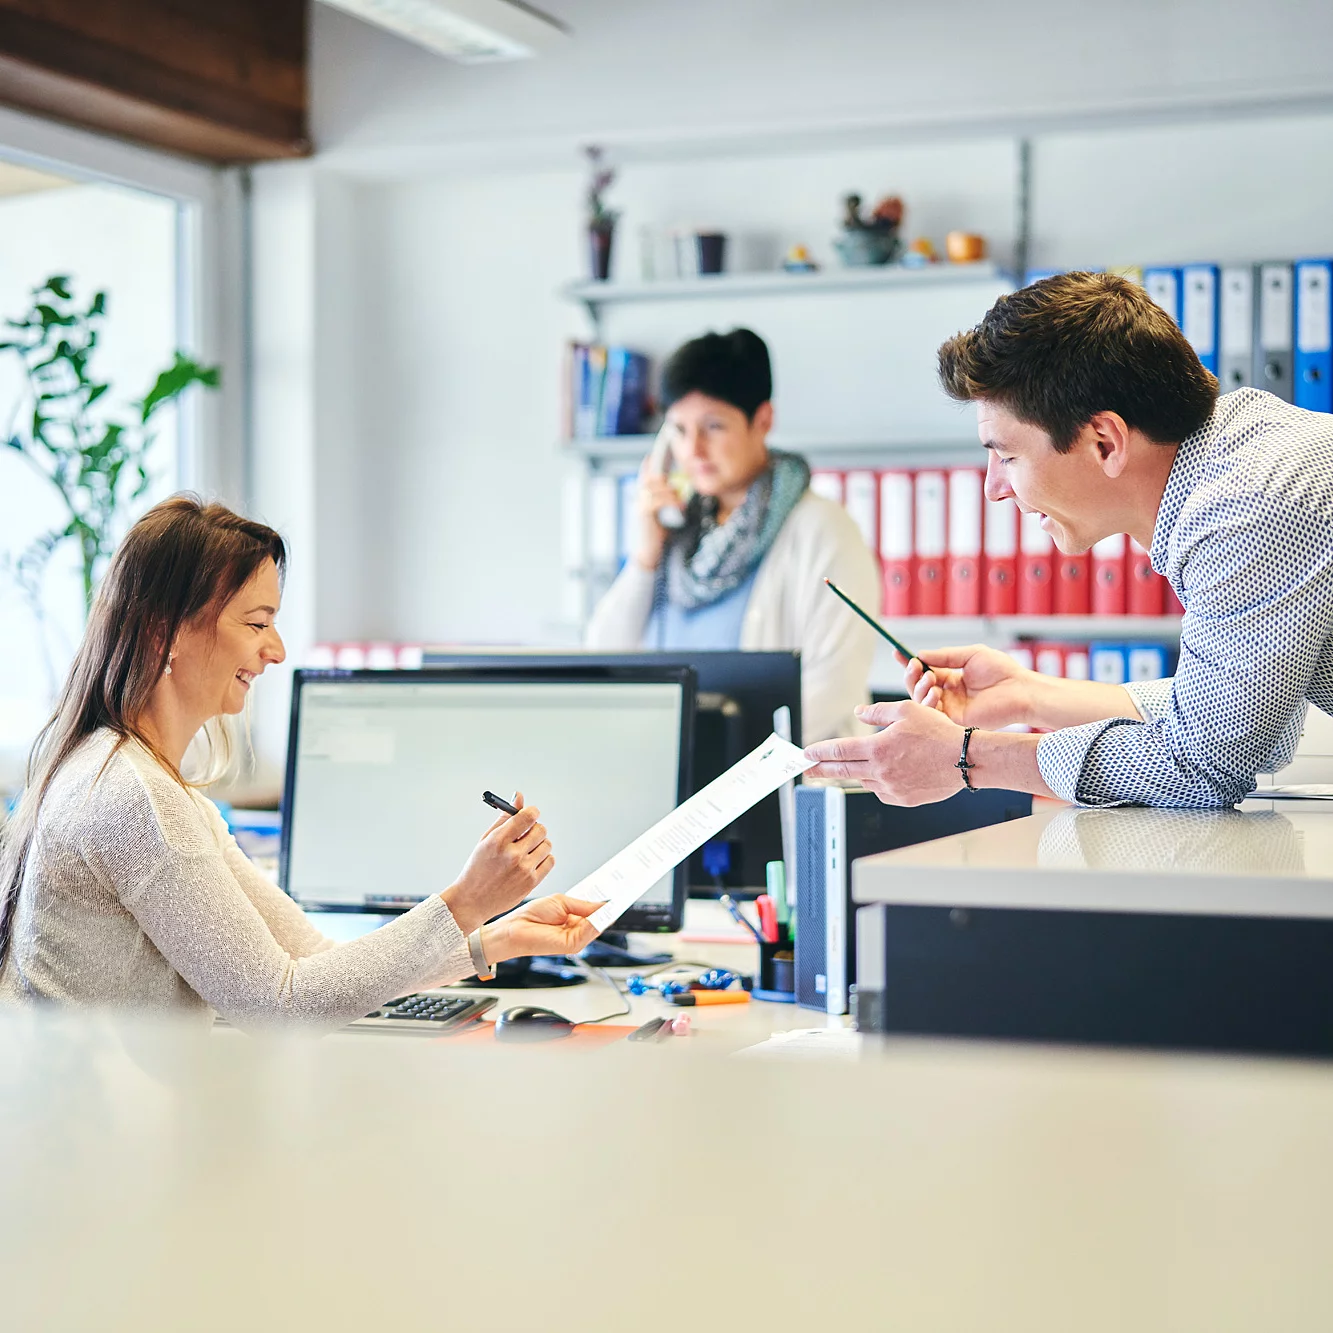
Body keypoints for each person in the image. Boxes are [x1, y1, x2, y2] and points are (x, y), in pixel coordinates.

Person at [0, 496, 601, 1028]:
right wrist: (466, 900)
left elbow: (312, 960)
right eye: (257, 623)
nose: (277, 650)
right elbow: (279, 1004)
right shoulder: (134, 799)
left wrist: (491, 939)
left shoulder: (137, 780)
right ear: (168, 632)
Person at [806, 271, 1333, 808]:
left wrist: (965, 757)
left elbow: (1203, 765)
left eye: (1007, 456)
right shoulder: (1246, 444)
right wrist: (1029, 695)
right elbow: (1233, 713)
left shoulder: (1245, 507)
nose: (993, 489)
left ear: (1105, 442)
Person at [585, 327, 880, 742]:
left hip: (778, 772)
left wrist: (736, 766)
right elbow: (602, 660)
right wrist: (645, 558)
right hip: (683, 768)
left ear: (763, 420)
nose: (693, 450)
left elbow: (834, 688)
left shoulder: (825, 531)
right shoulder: (676, 534)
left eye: (713, 427)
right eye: (679, 430)